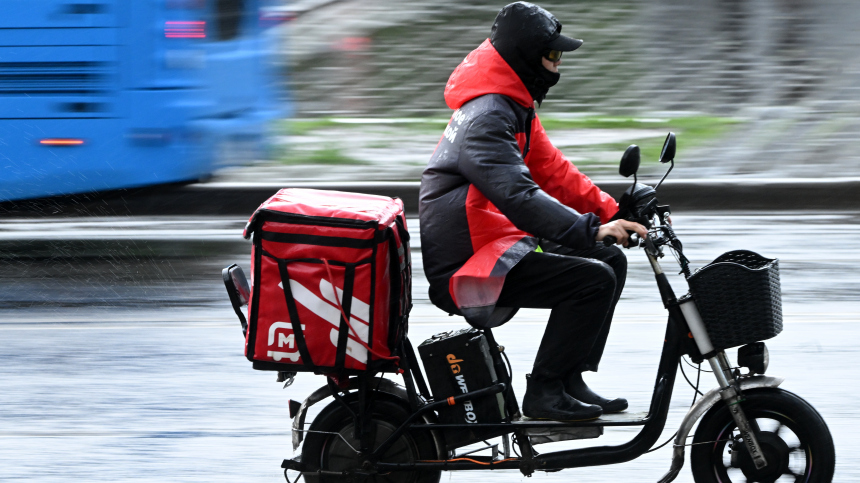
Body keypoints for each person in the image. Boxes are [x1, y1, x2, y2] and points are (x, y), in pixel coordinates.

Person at [418, 1, 647, 421]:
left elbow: (553, 172)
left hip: (494, 242)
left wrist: (616, 210)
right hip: (468, 262)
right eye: (553, 55)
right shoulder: (488, 117)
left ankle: (567, 379)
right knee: (592, 278)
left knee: (608, 259)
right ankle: (544, 391)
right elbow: (519, 196)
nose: (558, 66)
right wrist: (590, 229)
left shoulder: (511, 106)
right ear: (525, 56)